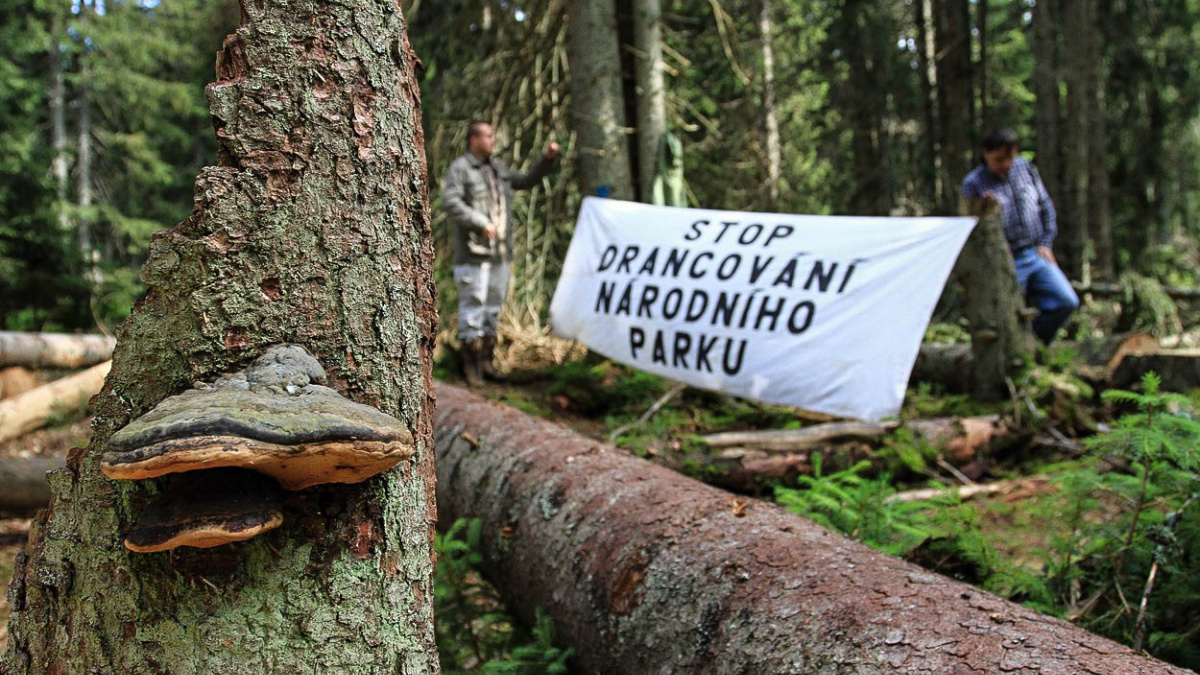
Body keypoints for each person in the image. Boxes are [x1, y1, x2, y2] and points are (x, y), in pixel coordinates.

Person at [441, 122, 560, 386]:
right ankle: (470, 368)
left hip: (499, 255)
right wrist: (479, 222)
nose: (494, 140)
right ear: (474, 139)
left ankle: (486, 363)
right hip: (473, 254)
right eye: (489, 136)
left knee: (492, 309)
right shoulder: (461, 168)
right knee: (473, 307)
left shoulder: (498, 169)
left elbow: (527, 180)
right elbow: (449, 201)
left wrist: (547, 159)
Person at [961, 128, 1079, 344]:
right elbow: (970, 233)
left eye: (1009, 158)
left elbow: (1045, 205)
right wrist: (982, 209)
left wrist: (1045, 242)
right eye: (999, 160)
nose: (1005, 164)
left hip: (1036, 252)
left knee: (1066, 301)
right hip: (1004, 261)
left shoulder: (1025, 168)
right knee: (1005, 316)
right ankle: (1013, 353)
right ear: (985, 153)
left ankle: (1034, 344)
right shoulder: (974, 183)